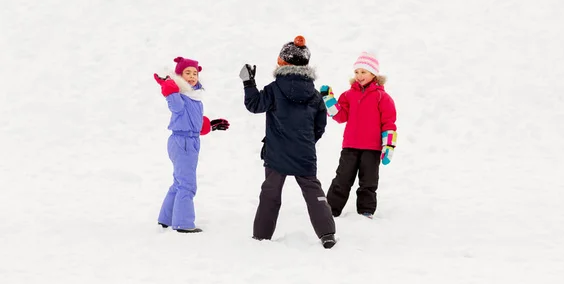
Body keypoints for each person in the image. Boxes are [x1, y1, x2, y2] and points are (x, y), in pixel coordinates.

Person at [239, 36, 337, 249]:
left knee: (270, 193)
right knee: (313, 192)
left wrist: (249, 82)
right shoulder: (313, 93)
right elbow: (320, 124)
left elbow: (254, 105)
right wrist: (309, 140)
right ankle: (327, 234)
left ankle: (261, 236)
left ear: (282, 62)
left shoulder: (274, 89)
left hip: (277, 152)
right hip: (304, 152)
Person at [154, 57, 230, 233]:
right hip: (183, 142)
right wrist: (168, 85)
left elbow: (192, 122)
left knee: (179, 182)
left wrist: (209, 125)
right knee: (187, 184)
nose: (192, 76)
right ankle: (184, 223)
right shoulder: (180, 96)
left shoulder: (195, 97)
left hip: (190, 140)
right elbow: (175, 106)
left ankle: (166, 218)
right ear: (179, 75)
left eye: (195, 73)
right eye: (187, 73)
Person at [320, 51, 397, 219]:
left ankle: (366, 211)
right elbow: (340, 116)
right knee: (342, 178)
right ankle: (331, 209)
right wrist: (329, 101)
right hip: (350, 146)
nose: (359, 76)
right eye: (356, 72)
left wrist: (388, 146)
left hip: (372, 148)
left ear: (373, 74)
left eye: (364, 72)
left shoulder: (382, 97)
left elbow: (389, 124)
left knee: (368, 181)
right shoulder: (349, 95)